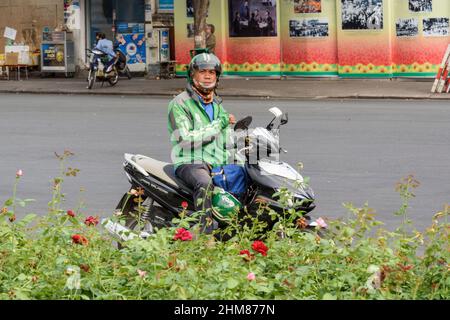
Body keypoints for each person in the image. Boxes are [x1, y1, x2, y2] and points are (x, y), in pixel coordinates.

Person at [167, 53, 236, 234]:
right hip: (190, 161)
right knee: (204, 183)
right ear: (192, 75)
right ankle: (206, 235)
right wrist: (220, 124)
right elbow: (186, 139)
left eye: (212, 72)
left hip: (216, 162)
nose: (207, 76)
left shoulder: (217, 104)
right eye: (202, 71)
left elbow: (225, 139)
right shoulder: (180, 103)